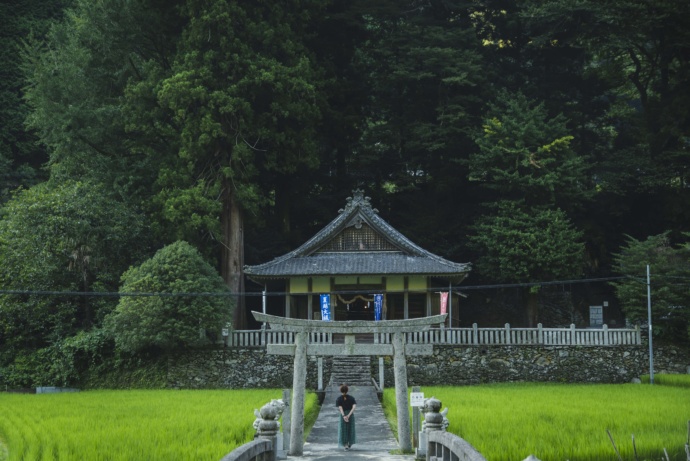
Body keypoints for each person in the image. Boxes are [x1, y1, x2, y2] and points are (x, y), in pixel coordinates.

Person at [336, 384, 357, 450]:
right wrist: (349, 415)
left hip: (343, 415)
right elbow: (354, 407)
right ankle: (350, 443)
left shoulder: (339, 399)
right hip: (350, 415)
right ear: (347, 390)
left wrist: (344, 416)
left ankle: (345, 444)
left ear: (341, 390)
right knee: (351, 429)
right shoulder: (351, 398)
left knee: (343, 429)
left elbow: (340, 408)